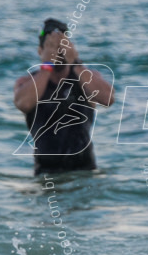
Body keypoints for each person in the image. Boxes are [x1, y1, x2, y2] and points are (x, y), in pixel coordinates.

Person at [13, 18, 115, 176]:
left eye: (62, 47)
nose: (57, 52)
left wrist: (76, 63)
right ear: (40, 51)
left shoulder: (85, 78)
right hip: (46, 175)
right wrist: (47, 66)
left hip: (85, 173)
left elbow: (108, 98)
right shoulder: (27, 82)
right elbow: (23, 103)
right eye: (51, 47)